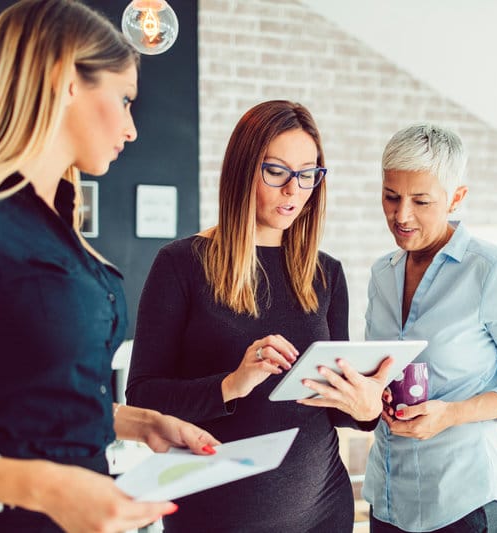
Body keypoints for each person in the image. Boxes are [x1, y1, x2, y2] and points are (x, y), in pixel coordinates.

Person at [0, 1, 220, 532]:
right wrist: (42, 485)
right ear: (65, 80)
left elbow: (33, 398)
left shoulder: (60, 227)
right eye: (124, 99)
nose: (131, 129)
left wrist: (143, 423)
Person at [126, 99, 393, 533]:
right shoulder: (181, 264)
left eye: (308, 174)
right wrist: (231, 385)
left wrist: (365, 409)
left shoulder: (326, 273)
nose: (294, 189)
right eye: (277, 171)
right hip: (215, 513)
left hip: (323, 511)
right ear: (242, 169)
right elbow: (143, 398)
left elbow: (334, 408)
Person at [362, 123, 497, 533]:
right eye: (391, 196)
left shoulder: (492, 272)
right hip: (389, 499)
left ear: (456, 198)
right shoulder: (382, 274)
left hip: (467, 503)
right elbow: (376, 371)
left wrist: (453, 414)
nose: (402, 215)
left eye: (421, 201)